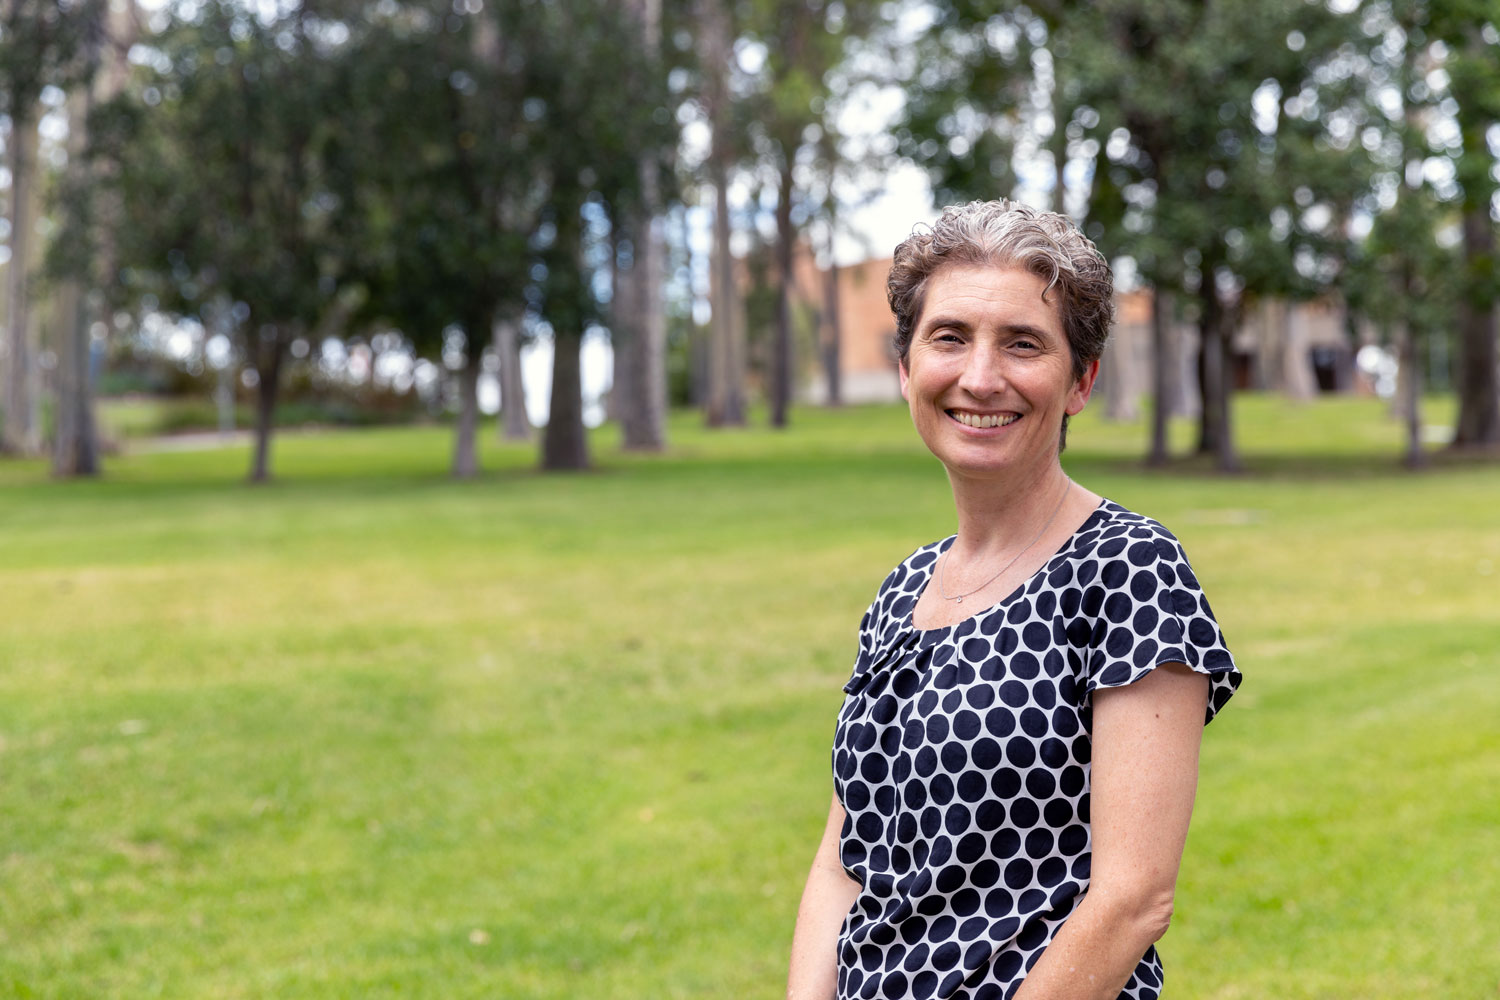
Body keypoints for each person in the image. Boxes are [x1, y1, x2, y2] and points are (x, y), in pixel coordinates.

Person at [786, 200, 1241, 1000]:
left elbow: (1133, 899)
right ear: (905, 368)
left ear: (1080, 381)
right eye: (950, 337)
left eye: (1023, 344)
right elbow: (840, 861)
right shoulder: (904, 591)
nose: (980, 377)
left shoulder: (1130, 569)